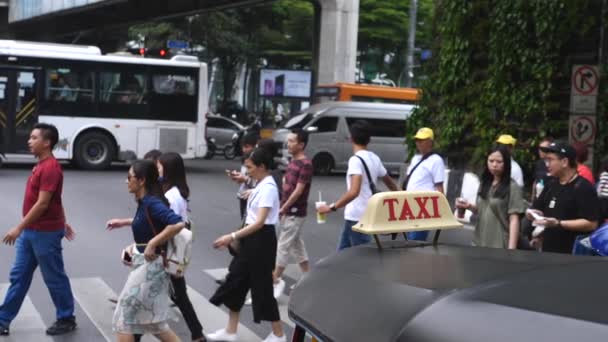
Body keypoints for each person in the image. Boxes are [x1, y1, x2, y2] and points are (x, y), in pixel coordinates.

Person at [0, 123, 77, 336]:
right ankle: (3, 320)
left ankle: (66, 317)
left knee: (53, 276)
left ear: (47, 142)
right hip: (32, 232)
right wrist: (63, 220)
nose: (29, 141)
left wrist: (18, 228)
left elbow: (43, 203)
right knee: (19, 275)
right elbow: (55, 200)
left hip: (44, 232)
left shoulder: (51, 168)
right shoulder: (41, 165)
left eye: (34, 138)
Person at [207, 148, 286, 342]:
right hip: (253, 240)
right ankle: (230, 330)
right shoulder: (262, 183)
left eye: (249, 167)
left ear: (262, 166)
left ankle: (279, 335)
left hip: (261, 241)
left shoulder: (268, 188)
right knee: (236, 281)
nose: (247, 171)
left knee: (262, 288)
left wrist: (231, 236)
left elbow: (259, 222)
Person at [106, 160, 186, 342]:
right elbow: (148, 226)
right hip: (146, 265)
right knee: (153, 323)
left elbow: (177, 223)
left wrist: (152, 243)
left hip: (151, 268)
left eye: (129, 177)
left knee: (124, 316)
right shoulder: (145, 202)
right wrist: (126, 225)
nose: (126, 181)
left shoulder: (151, 202)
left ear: (141, 181)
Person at [317, 120, 398, 250]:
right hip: (366, 214)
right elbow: (390, 182)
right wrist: (402, 195)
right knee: (342, 255)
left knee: (361, 259)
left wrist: (332, 207)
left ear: (351, 138)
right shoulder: (374, 158)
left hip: (357, 216)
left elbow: (354, 191)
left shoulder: (355, 160)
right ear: (369, 139)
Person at [527, 141, 600, 253]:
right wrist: (534, 215)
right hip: (547, 250)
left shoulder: (583, 187)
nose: (547, 164)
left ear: (564, 162)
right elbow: (538, 209)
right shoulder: (550, 184)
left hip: (571, 254)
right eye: (546, 160)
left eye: (551, 160)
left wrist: (558, 223)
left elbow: (591, 224)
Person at [455, 145, 525, 249]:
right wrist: (468, 206)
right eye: (491, 161)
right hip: (479, 241)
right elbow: (482, 210)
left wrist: (511, 250)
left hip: (500, 244)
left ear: (506, 163)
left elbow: (514, 220)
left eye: (499, 161)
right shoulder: (485, 184)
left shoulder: (512, 187)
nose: (494, 165)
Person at [273, 129, 313, 296]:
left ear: (301, 144)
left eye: (291, 141)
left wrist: (284, 207)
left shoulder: (306, 164)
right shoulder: (292, 162)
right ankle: (308, 278)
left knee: (283, 245)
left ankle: (274, 281)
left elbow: (298, 191)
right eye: (288, 140)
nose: (288, 143)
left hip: (295, 211)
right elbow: (286, 187)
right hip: (289, 209)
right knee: (296, 245)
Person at [402, 127, 446, 241]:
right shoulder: (415, 158)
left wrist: (441, 211)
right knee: (408, 240)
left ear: (430, 142)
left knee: (415, 241)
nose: (418, 143)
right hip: (408, 206)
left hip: (423, 209)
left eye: (422, 140)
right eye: (417, 140)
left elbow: (439, 188)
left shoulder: (436, 160)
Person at [228, 131, 260, 219]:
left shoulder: (258, 162)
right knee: (244, 220)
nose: (244, 149)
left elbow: (258, 183)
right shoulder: (244, 159)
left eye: (247, 147)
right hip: (243, 195)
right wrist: (237, 176)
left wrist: (245, 179)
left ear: (255, 146)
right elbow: (244, 177)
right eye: (243, 147)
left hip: (253, 197)